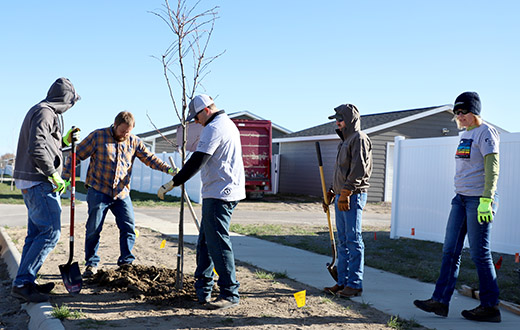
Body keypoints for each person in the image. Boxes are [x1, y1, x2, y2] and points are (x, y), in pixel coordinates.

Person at [413, 92, 501, 322]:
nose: (459, 116)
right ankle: (440, 301)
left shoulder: (486, 133)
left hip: (478, 201)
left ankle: (491, 307)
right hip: (460, 199)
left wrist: (486, 199)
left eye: (463, 112)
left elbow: (492, 168)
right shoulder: (466, 134)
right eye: (456, 113)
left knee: (480, 254)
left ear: (475, 112)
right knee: (450, 251)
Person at [62, 111, 176, 277]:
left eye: (128, 131)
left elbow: (150, 158)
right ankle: (91, 264)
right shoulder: (98, 136)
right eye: (123, 131)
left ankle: (126, 263)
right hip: (99, 190)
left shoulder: (134, 141)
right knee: (94, 228)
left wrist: (169, 169)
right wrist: (66, 178)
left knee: (128, 227)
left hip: (122, 193)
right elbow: (75, 155)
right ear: (115, 125)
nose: (125, 134)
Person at [158, 94, 245, 310]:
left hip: (220, 192)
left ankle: (229, 292)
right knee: (205, 243)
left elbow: (198, 159)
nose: (195, 122)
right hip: (219, 190)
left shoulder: (215, 127)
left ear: (206, 110)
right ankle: (203, 289)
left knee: (216, 242)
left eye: (196, 117)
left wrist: (174, 182)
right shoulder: (226, 124)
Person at [11, 77, 81, 303]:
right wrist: (52, 173)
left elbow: (47, 143)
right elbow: (37, 147)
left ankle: (25, 281)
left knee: (36, 234)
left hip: (32, 182)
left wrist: (64, 140)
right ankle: (23, 283)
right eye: (71, 102)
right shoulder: (45, 112)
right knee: (51, 232)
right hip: (39, 182)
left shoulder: (42, 111)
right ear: (65, 99)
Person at [322, 103, 373, 298]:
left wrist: (346, 192)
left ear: (350, 120)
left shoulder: (359, 139)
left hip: (353, 195)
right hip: (342, 195)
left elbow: (358, 170)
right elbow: (342, 171)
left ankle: (355, 284)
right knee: (342, 240)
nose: (338, 123)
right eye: (336, 119)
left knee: (353, 240)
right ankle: (342, 282)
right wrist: (333, 191)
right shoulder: (344, 141)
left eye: (341, 119)